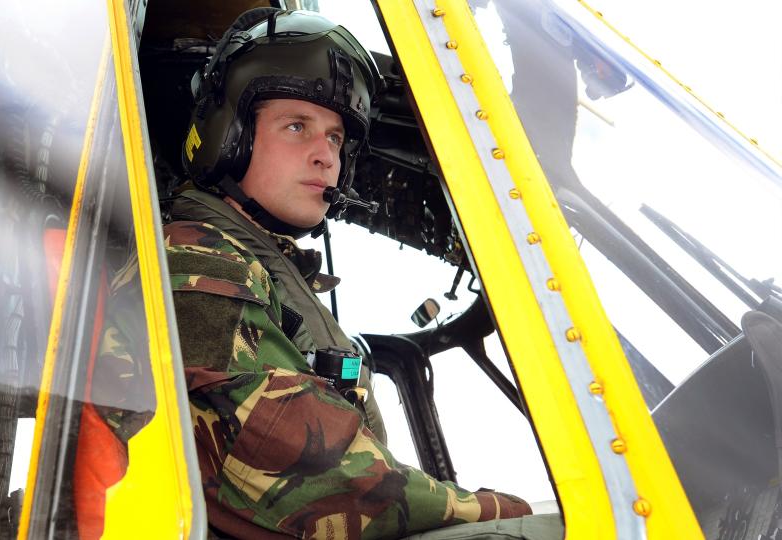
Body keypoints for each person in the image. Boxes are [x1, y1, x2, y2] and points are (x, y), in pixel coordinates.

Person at [100, 8, 563, 539]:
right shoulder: (194, 260)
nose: (325, 156)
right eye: (297, 127)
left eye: (336, 139)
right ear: (228, 134)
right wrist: (502, 511)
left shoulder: (258, 264)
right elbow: (305, 467)